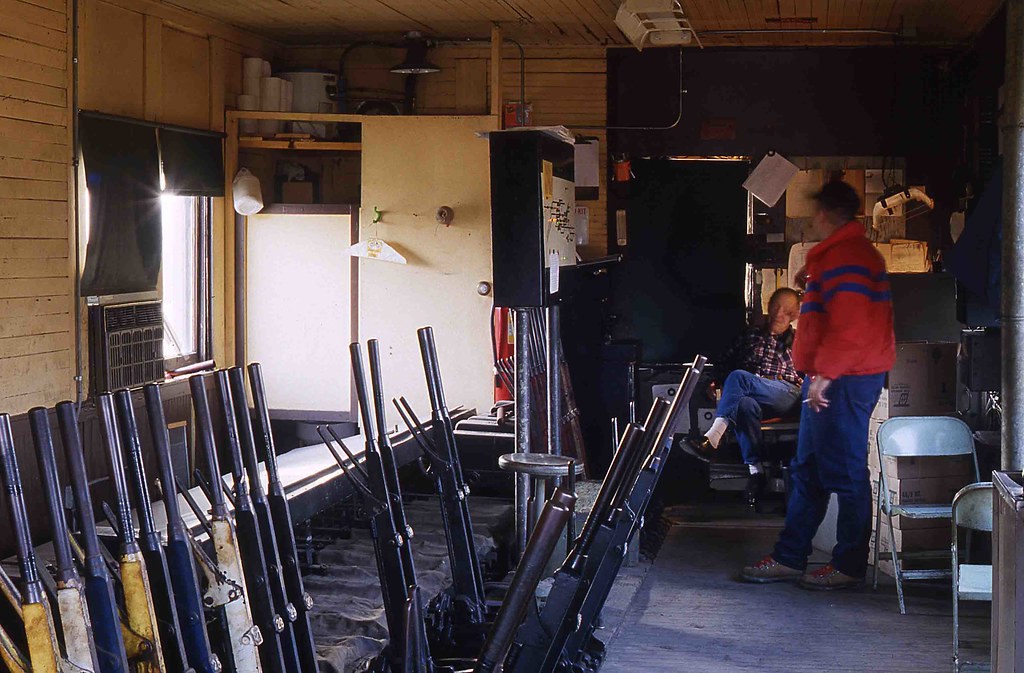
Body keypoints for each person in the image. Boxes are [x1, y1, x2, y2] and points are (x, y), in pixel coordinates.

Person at [740, 179, 895, 591]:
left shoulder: (847, 258)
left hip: (845, 379)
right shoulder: (844, 256)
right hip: (832, 375)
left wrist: (826, 375)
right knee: (807, 469)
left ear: (824, 214)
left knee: (845, 472)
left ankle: (848, 564)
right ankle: (790, 557)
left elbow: (850, 325)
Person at [684, 288, 803, 496]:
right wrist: (713, 383)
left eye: (786, 310)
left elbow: (812, 373)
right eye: (776, 307)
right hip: (752, 394)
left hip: (785, 392)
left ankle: (712, 437)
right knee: (743, 404)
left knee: (739, 377)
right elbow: (723, 364)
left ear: (794, 315)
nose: (778, 313)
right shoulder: (750, 335)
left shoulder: (797, 340)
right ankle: (755, 471)